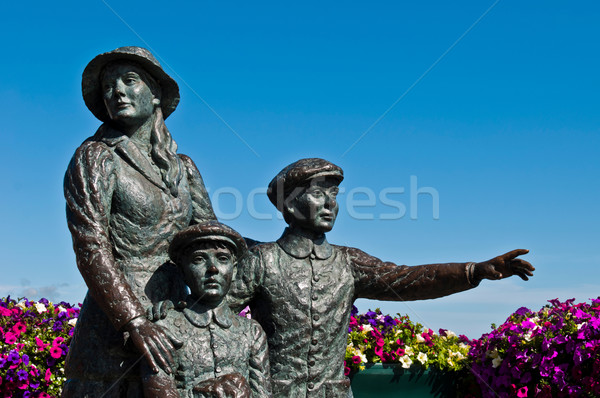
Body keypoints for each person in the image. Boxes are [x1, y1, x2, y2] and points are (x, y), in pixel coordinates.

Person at [228, 158, 535, 397]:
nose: (330, 203)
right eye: (318, 193)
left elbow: (407, 279)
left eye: (333, 194)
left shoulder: (348, 261)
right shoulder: (262, 260)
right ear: (291, 204)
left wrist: (473, 271)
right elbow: (221, 320)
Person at [63, 46, 216, 397]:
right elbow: (91, 246)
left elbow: (211, 241)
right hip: (113, 334)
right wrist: (135, 321)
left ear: (156, 94)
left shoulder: (185, 168)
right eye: (108, 86)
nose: (116, 91)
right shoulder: (96, 157)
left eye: (129, 81)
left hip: (175, 320)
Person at [143, 221, 271, 398]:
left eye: (222, 259)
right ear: (182, 272)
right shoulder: (164, 327)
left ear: (234, 272)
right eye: (199, 259)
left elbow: (263, 394)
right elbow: (157, 391)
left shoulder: (252, 332)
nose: (212, 268)